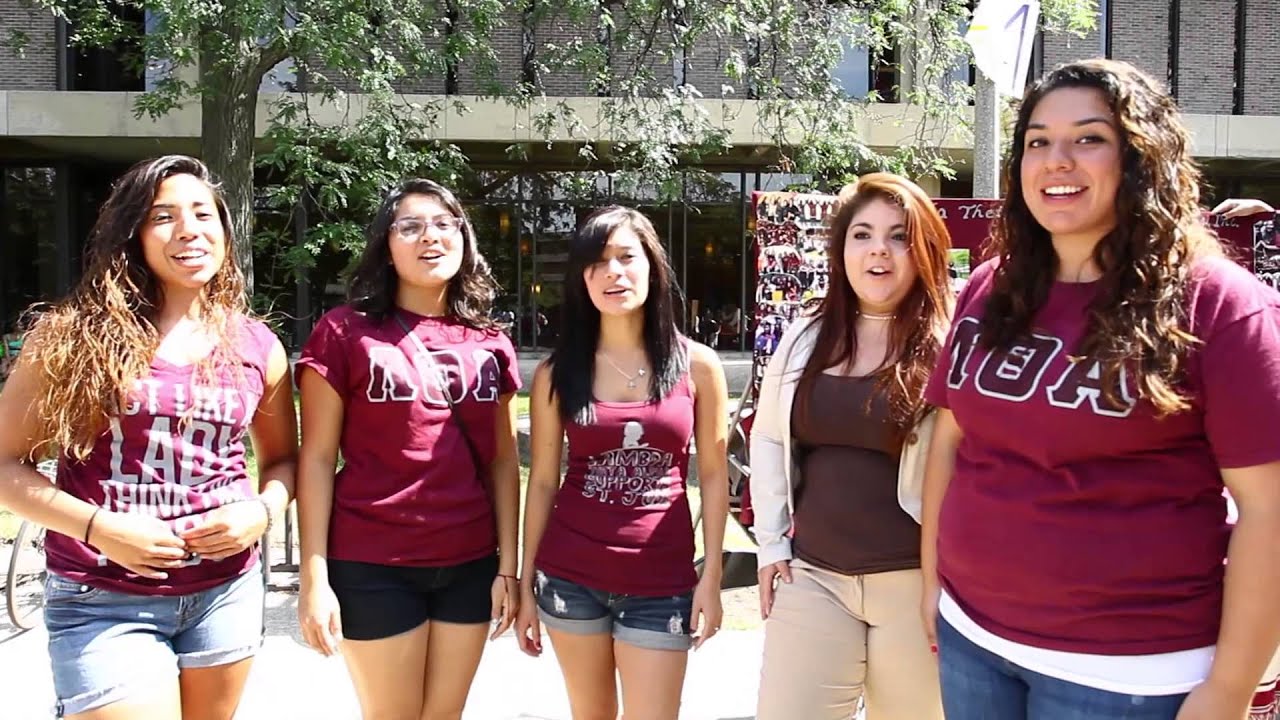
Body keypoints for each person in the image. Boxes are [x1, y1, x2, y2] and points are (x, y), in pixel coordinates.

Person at [921, 58, 1280, 720]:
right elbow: (951, 440)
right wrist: (932, 584)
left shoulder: (1219, 305)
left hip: (1127, 673)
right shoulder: (991, 287)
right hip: (973, 638)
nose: (1056, 160)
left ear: (1142, 158)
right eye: (1038, 141)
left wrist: (1230, 688)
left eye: (1089, 138)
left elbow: (1270, 510)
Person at [0, 155, 296, 720]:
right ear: (131, 233)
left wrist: (260, 512)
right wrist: (98, 528)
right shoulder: (70, 337)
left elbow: (283, 461)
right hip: (103, 598)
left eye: (203, 213)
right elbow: (5, 464)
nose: (189, 229)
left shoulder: (258, 345)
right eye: (164, 216)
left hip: (226, 593)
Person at [294, 179, 522, 719]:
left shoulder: (490, 341)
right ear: (386, 244)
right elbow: (318, 459)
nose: (431, 237)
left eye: (445, 224)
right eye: (411, 226)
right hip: (372, 561)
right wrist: (313, 577)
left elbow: (503, 461)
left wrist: (508, 568)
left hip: (469, 562)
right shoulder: (343, 333)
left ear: (464, 239)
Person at [750, 173, 953, 720]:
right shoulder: (806, 336)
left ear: (925, 250)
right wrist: (771, 545)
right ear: (841, 250)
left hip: (915, 588)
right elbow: (768, 437)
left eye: (898, 236)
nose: (878, 250)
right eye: (862, 235)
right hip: (813, 578)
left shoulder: (949, 344)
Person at [515, 206, 730, 720]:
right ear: (582, 279)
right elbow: (542, 482)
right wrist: (525, 585)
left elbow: (714, 474)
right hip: (570, 579)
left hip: (662, 581)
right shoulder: (556, 373)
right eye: (597, 262)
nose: (613, 272)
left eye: (626, 257)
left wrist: (712, 577)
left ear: (652, 266)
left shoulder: (698, 365)